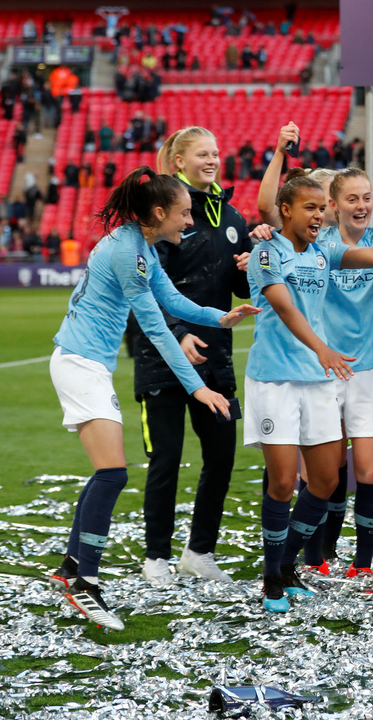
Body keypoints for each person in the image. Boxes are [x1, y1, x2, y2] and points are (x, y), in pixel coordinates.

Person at [47, 167, 259, 630]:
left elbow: (173, 299)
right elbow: (159, 330)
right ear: (159, 212)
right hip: (80, 365)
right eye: (184, 213)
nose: (190, 221)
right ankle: (83, 582)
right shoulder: (131, 253)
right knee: (113, 473)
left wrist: (220, 318)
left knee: (107, 473)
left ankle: (72, 568)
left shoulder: (137, 244)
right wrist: (198, 387)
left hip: (84, 363)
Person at [246, 168, 373, 613]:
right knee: (284, 482)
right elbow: (283, 306)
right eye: (311, 208)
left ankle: (290, 567)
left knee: (326, 480)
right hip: (277, 378)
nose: (318, 215)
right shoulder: (266, 251)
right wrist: (323, 348)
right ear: (286, 210)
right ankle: (274, 575)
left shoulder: (325, 251)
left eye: (321, 208)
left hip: (322, 376)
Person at [132, 127, 255, 588]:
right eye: (202, 153)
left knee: (221, 458)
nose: (212, 160)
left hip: (215, 357)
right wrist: (178, 333)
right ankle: (156, 557)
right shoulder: (160, 213)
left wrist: (249, 267)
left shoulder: (232, 215)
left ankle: (199, 552)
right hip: (161, 357)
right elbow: (144, 286)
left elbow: (240, 288)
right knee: (165, 459)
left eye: (216, 153)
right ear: (179, 161)